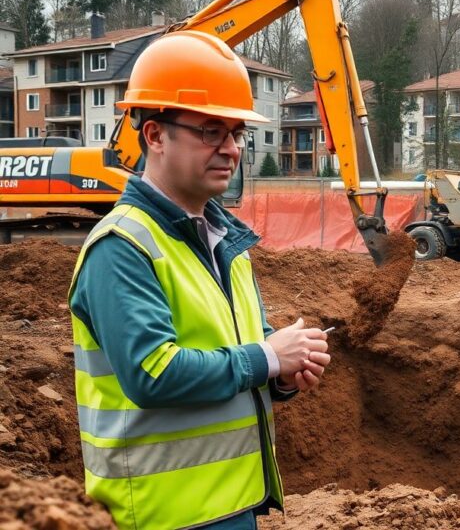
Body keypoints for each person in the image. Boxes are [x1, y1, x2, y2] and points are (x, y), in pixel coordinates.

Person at [69, 31, 332, 529]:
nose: (231, 149)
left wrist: (280, 377)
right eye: (211, 131)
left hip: (231, 504)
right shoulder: (122, 247)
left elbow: (232, 357)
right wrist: (271, 355)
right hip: (159, 514)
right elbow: (154, 374)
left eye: (236, 134)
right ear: (154, 135)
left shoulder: (225, 244)